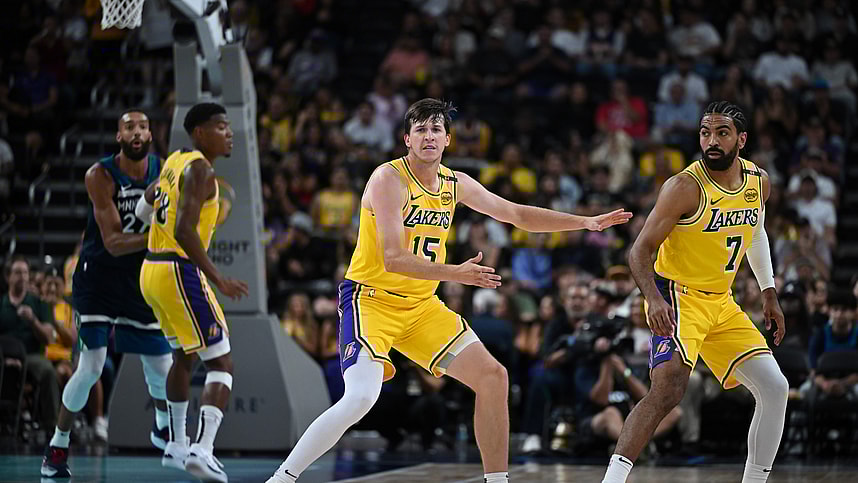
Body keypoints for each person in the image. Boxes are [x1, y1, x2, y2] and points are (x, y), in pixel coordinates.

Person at [266, 98, 632, 483]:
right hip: (371, 301)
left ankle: (497, 482)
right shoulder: (388, 179)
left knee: (493, 377)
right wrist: (456, 273)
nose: (429, 136)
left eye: (436, 129)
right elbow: (393, 258)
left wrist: (584, 222)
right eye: (420, 130)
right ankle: (282, 479)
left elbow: (516, 214)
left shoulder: (455, 184)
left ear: (447, 140)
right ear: (407, 139)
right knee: (360, 398)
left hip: (421, 307)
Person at [601, 101, 789, 483]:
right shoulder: (684, 187)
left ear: (741, 139)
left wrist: (769, 292)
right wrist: (653, 299)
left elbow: (755, 233)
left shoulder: (758, 182)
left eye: (722, 133)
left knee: (775, 387)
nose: (712, 141)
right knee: (668, 390)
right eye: (705, 133)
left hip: (721, 301)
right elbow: (638, 251)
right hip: (677, 296)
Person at [41, 110, 172, 479]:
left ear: (150, 135)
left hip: (138, 280)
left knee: (161, 366)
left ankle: (163, 426)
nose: (137, 132)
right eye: (129, 127)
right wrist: (159, 237)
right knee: (91, 367)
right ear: (119, 136)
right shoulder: (99, 175)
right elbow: (113, 242)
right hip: (97, 279)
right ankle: (57, 446)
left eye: (143, 127)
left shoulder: (164, 171)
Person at [138, 103, 248, 483]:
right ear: (200, 133)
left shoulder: (175, 160)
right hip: (177, 269)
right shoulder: (201, 169)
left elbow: (145, 206)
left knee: (183, 357)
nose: (229, 133)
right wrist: (219, 279)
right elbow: (184, 231)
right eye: (221, 126)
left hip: (151, 270)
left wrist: (156, 223)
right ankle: (203, 450)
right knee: (222, 364)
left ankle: (176, 445)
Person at [0, 256, 60, 436]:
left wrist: (33, 320)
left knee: (48, 371)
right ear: (8, 277)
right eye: (18, 272)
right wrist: (6, 358)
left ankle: (53, 428)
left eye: (26, 273)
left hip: (30, 356)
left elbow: (49, 338)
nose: (23, 277)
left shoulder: (38, 303)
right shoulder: (2, 303)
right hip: (4, 358)